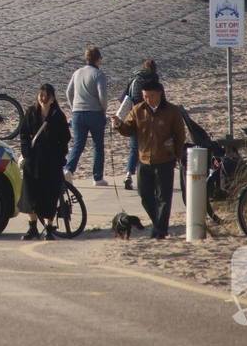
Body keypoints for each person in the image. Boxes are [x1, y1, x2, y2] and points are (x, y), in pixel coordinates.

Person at [112, 77, 186, 239]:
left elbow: (180, 135)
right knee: (145, 195)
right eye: (144, 96)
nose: (147, 99)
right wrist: (118, 124)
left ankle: (160, 230)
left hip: (165, 160)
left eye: (150, 96)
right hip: (144, 160)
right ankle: (159, 225)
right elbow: (128, 130)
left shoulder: (171, 111)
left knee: (163, 198)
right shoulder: (138, 109)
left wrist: (178, 156)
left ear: (159, 93)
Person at [19, 84, 71, 241]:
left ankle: (49, 229)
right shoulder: (31, 113)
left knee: (49, 195)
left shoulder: (58, 116)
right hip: (33, 159)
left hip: (51, 160)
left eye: (46, 96)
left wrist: (60, 155)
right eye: (40, 95)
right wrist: (27, 152)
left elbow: (65, 138)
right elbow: (23, 134)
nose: (42, 98)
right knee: (30, 194)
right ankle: (32, 227)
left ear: (52, 98)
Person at [64, 46, 109, 186]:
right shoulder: (99, 74)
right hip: (94, 112)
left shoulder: (77, 73)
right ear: (97, 59)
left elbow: (68, 93)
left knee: (78, 144)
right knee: (98, 145)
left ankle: (69, 170)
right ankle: (97, 177)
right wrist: (104, 109)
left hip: (77, 113)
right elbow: (102, 96)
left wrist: (74, 107)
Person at [119, 60, 160, 191]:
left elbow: (123, 99)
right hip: (150, 120)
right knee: (150, 149)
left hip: (135, 118)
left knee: (134, 149)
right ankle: (148, 178)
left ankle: (128, 175)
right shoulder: (155, 83)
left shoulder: (134, 81)